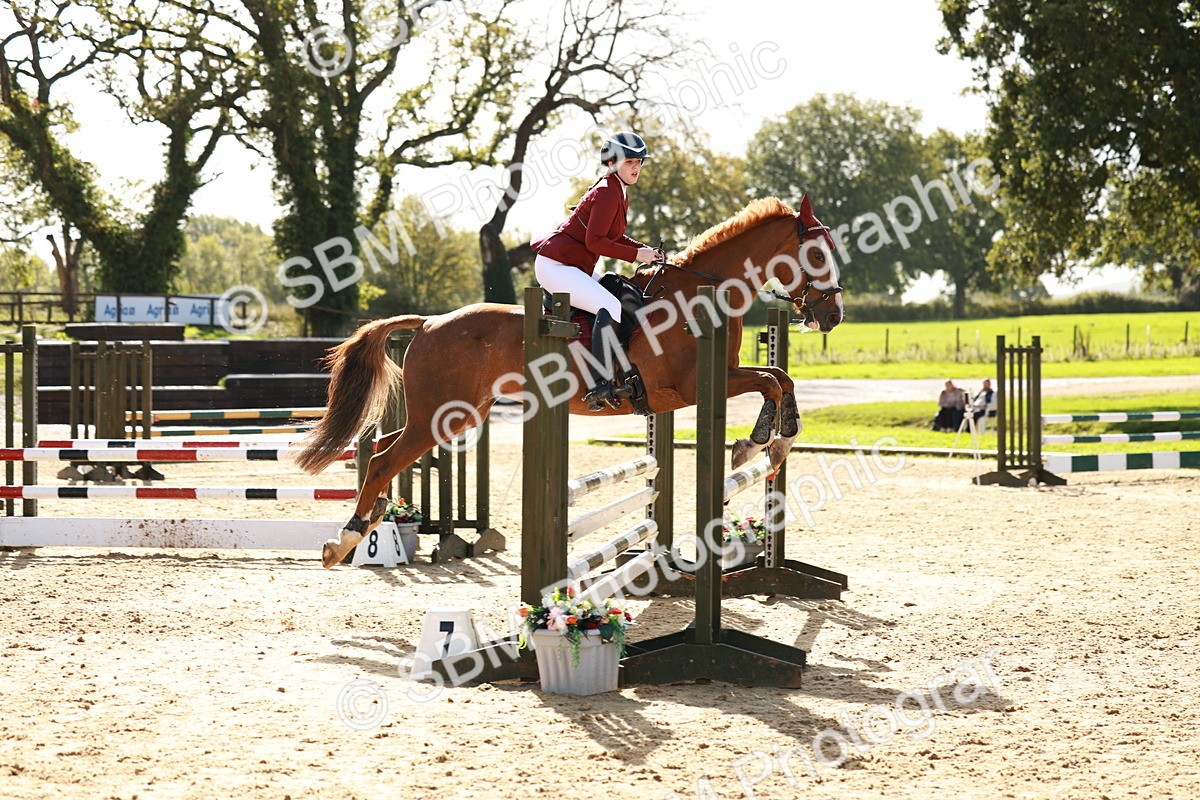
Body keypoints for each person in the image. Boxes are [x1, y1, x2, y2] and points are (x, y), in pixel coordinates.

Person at [530, 131, 661, 411]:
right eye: (629, 162)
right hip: (556, 265)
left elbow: (614, 237)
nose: (636, 167)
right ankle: (598, 384)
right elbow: (596, 242)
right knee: (609, 304)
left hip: (571, 264)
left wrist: (646, 250)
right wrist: (638, 255)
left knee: (618, 289)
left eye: (640, 161)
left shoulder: (617, 189)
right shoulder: (606, 192)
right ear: (612, 162)